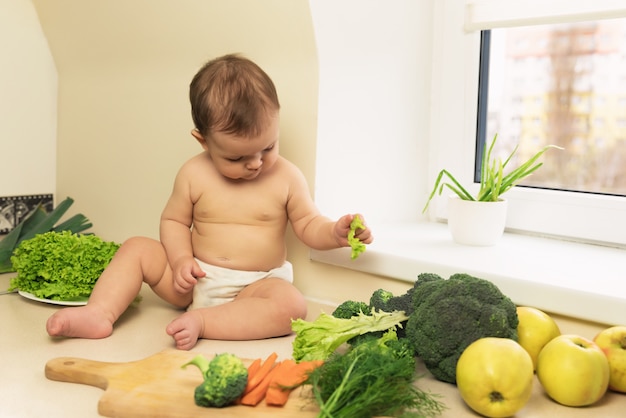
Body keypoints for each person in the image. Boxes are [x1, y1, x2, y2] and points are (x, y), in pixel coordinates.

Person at [46, 54, 373, 350]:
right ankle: (99, 313)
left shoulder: (287, 177)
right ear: (203, 141)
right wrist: (180, 260)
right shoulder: (193, 174)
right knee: (135, 248)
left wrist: (334, 233)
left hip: (256, 286)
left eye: (268, 148)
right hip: (192, 280)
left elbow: (307, 223)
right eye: (237, 157)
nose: (256, 163)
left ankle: (205, 323)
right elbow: (174, 222)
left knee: (291, 306)